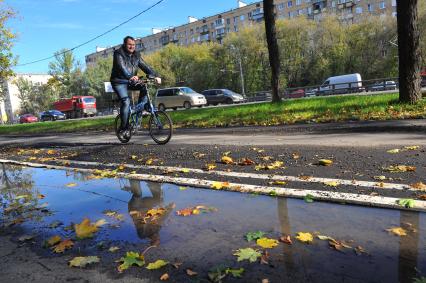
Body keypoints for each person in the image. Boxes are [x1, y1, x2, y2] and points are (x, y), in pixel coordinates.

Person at [110, 36, 161, 138]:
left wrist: (155, 76)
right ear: (125, 44)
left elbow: (145, 66)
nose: (132, 47)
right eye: (129, 45)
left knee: (144, 86)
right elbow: (122, 68)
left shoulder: (136, 55)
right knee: (126, 101)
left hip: (131, 80)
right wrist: (130, 76)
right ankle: (124, 128)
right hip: (119, 82)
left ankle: (140, 111)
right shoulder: (118, 53)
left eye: (133, 45)